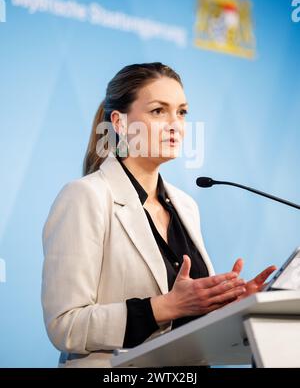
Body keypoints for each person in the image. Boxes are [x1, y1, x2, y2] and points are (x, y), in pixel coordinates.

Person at [41, 62, 276, 368]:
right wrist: (164, 307)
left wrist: (227, 307)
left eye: (182, 112)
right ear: (120, 122)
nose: (175, 124)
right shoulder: (85, 196)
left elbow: (185, 323)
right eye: (158, 111)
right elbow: (65, 325)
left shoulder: (185, 205)